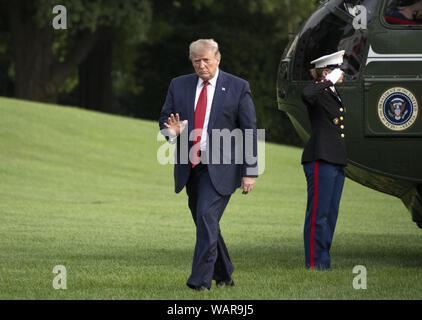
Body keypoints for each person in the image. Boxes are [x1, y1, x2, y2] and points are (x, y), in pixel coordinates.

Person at [158, 39, 258, 290]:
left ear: (218, 59)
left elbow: (249, 132)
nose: (201, 65)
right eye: (196, 61)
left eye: (206, 60)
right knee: (206, 223)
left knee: (205, 216)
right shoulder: (178, 85)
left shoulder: (237, 87)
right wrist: (171, 131)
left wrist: (250, 172)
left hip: (223, 168)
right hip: (190, 167)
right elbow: (165, 119)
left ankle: (199, 282)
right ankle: (224, 274)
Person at [301, 50, 347, 270]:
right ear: (327, 71)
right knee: (318, 214)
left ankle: (323, 261)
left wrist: (330, 82)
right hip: (320, 157)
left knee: (330, 215)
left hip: (335, 158)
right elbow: (307, 94)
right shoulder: (319, 91)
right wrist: (327, 80)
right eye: (339, 70)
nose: (343, 73)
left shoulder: (331, 92)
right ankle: (314, 263)